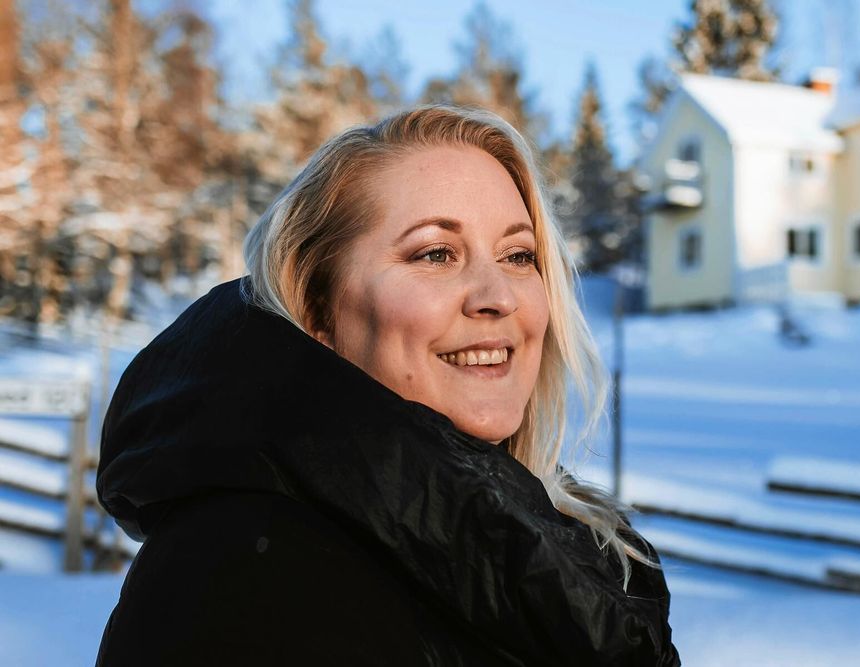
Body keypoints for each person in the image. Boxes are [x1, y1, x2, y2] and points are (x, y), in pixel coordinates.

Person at [95, 105, 681, 666]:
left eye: (518, 255)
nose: (497, 296)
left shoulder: (562, 543)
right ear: (318, 314)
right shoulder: (239, 572)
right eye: (435, 254)